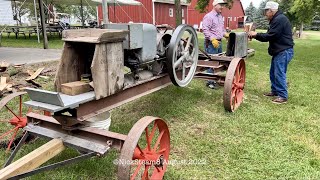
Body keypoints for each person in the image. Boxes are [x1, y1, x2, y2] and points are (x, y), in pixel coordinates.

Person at [248, 1, 294, 104]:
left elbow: (270, 36)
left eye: (266, 11)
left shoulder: (279, 19)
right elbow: (270, 35)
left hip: (283, 51)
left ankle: (282, 96)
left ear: (271, 11)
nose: (265, 14)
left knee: (279, 73)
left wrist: (255, 35)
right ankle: (275, 91)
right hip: (280, 51)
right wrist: (257, 35)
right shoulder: (277, 19)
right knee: (273, 72)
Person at [202, 0, 229, 89]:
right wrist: (212, 38)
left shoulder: (220, 17)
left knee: (218, 62)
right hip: (211, 43)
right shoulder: (208, 16)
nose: (222, 7)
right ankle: (210, 82)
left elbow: (221, 29)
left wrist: (225, 34)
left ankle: (215, 78)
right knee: (211, 62)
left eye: (223, 5)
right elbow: (205, 29)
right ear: (215, 5)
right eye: (220, 5)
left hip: (219, 42)